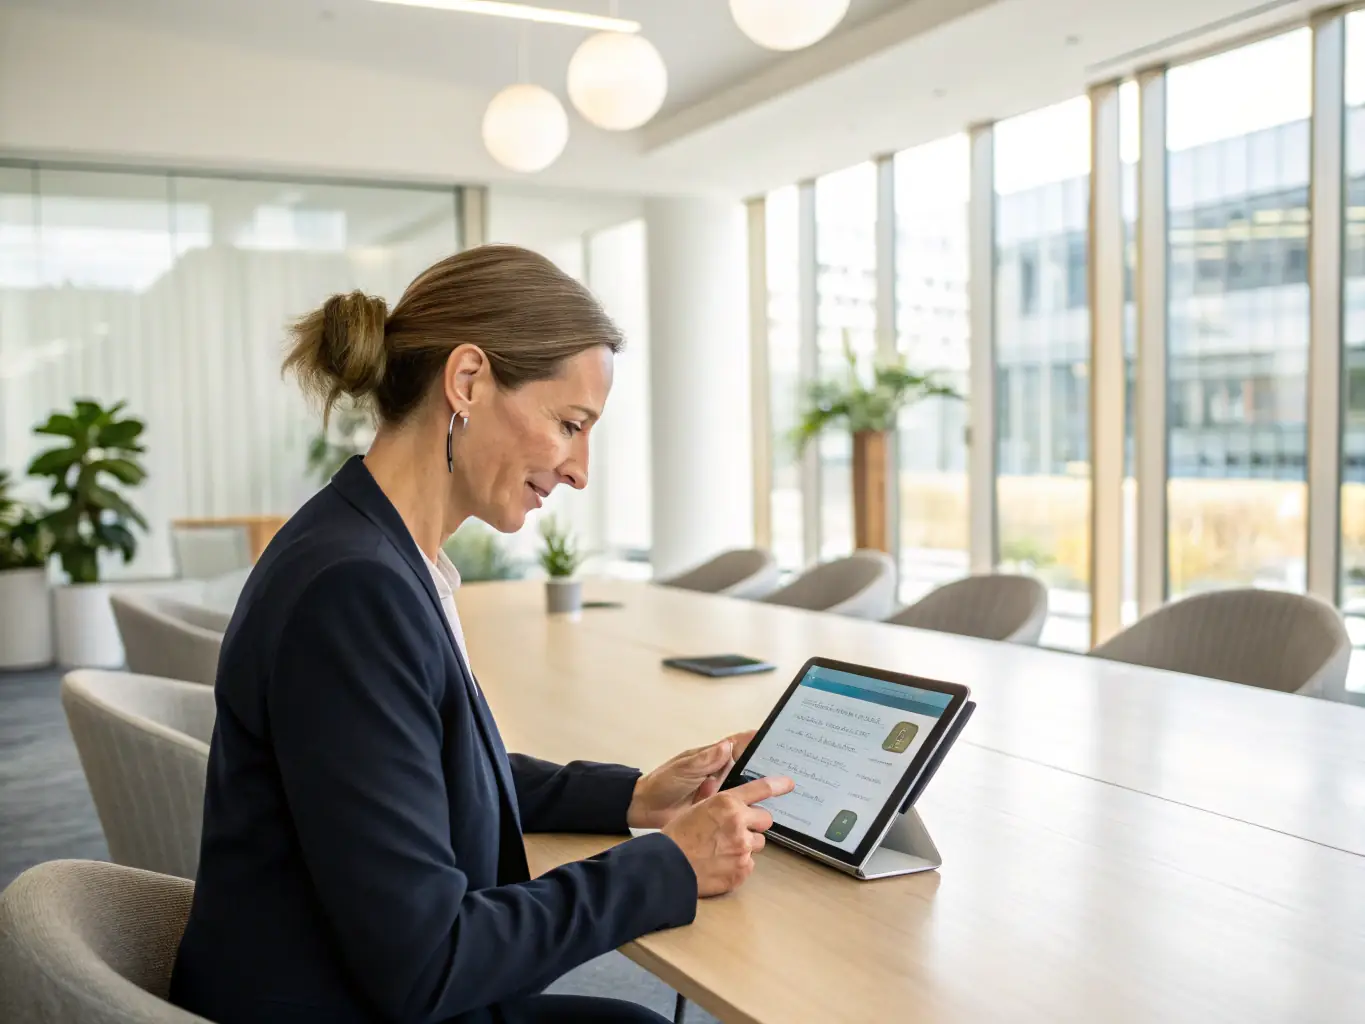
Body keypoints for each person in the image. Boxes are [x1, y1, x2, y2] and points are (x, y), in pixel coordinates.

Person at [169, 244, 793, 1024]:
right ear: (466, 383)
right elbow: (427, 964)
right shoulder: (354, 589)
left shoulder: (372, 548)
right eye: (570, 424)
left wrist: (631, 797)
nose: (579, 472)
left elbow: (419, 768)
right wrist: (664, 866)